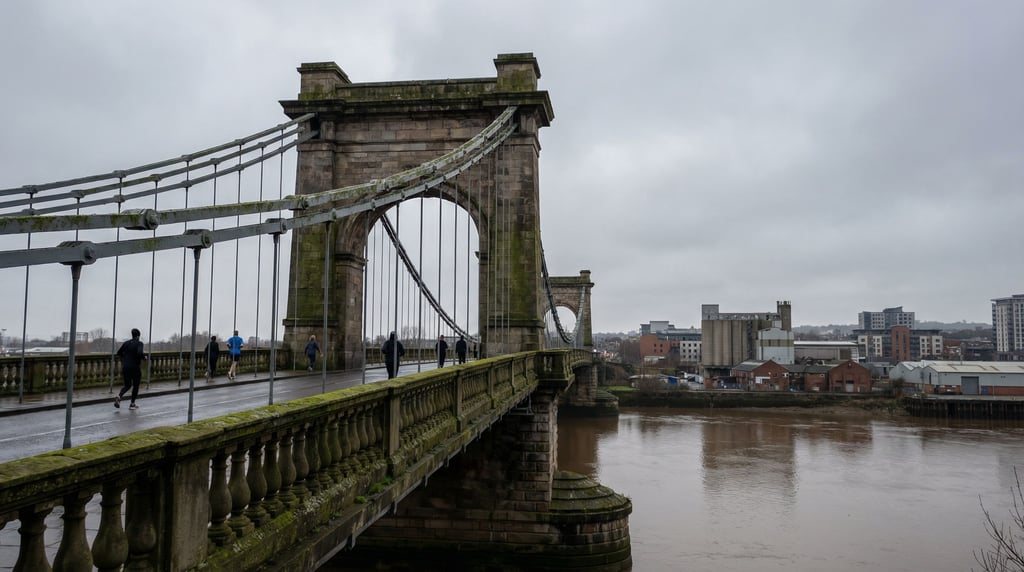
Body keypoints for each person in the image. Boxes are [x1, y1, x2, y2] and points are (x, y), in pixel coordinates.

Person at [114, 328, 146, 410]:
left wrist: (124, 360)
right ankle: (132, 404)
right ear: (138, 336)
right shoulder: (139, 343)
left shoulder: (126, 343)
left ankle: (119, 396)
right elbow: (139, 353)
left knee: (127, 385)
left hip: (126, 367)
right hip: (135, 367)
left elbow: (119, 353)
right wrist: (144, 358)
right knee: (136, 386)